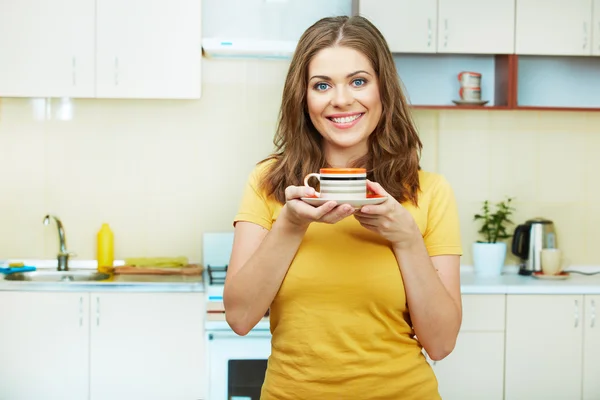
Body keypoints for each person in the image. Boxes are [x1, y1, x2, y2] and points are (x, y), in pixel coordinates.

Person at [224, 14, 463, 400]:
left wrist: (406, 239)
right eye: (322, 85)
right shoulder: (269, 183)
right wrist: (289, 226)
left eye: (358, 81)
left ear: (382, 89)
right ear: (303, 98)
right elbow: (238, 318)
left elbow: (441, 343)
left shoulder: (429, 192)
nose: (341, 100)